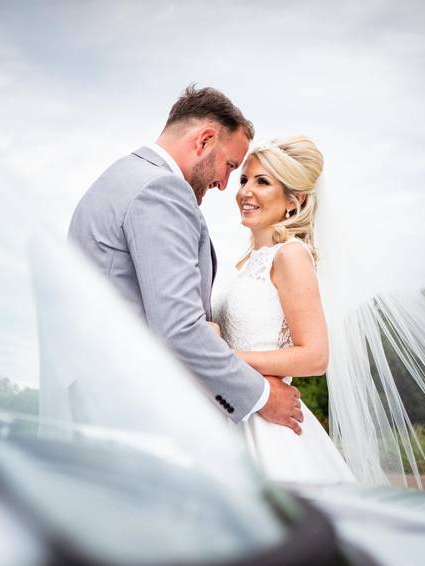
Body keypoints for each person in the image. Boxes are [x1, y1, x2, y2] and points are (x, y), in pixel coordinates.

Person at [68, 85, 302, 433]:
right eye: (230, 166)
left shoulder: (119, 177)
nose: (225, 184)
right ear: (204, 140)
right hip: (133, 415)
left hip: (99, 405)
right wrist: (262, 396)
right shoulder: (160, 190)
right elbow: (178, 326)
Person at [213, 135, 355, 483]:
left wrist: (225, 359)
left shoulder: (290, 255)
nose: (245, 191)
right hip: (231, 411)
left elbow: (315, 356)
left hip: (268, 428)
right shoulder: (246, 263)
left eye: (262, 182)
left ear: (294, 200)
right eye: (244, 179)